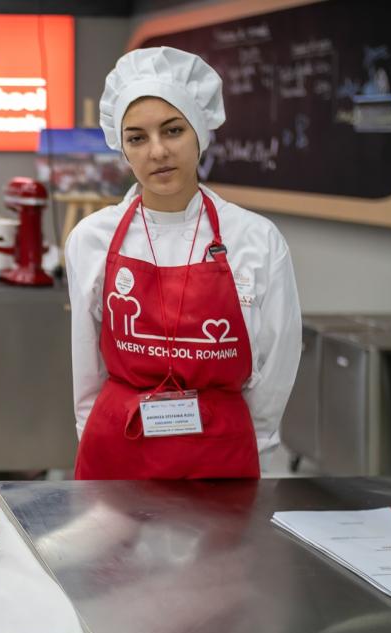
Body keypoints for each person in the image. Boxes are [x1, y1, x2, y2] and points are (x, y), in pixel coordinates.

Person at [66, 47, 301, 480]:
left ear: (200, 133)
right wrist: (91, 435)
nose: (157, 152)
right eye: (136, 137)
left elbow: (276, 366)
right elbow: (87, 366)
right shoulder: (91, 239)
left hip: (222, 453)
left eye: (172, 130)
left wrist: (257, 445)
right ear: (122, 148)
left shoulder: (255, 239)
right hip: (119, 449)